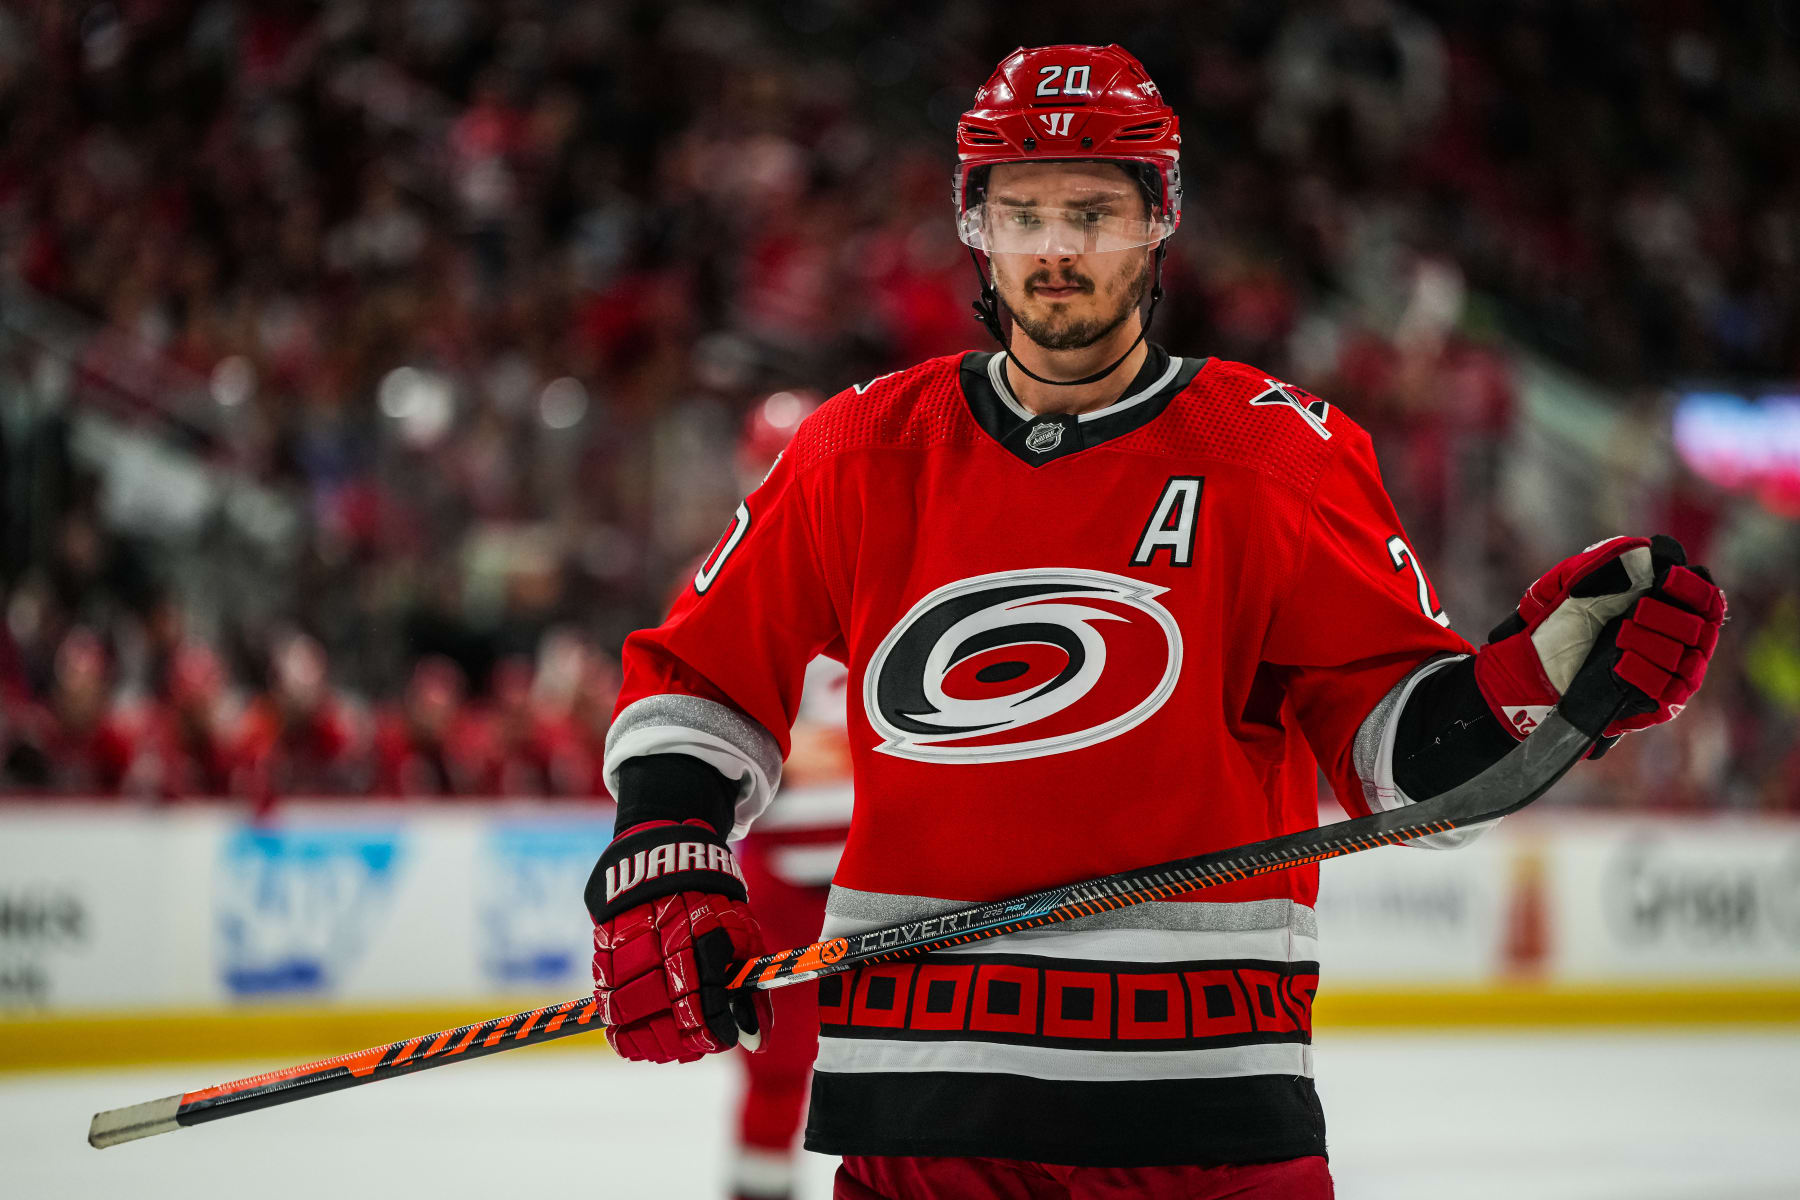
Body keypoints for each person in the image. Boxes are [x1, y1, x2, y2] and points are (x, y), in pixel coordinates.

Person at [585, 45, 1727, 1200]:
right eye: (1022, 212)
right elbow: (703, 672)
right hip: (919, 1121)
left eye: (1094, 211)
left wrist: (1534, 692)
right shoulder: (860, 448)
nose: (1058, 249)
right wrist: (665, 855)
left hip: (1208, 1129)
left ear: (1159, 221)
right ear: (974, 226)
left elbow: (1400, 766)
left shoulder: (1278, 454)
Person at [721, 392, 856, 1200]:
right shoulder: (727, 575)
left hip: (878, 870)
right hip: (780, 870)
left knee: (912, 1068)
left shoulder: (881, 557)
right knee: (776, 1066)